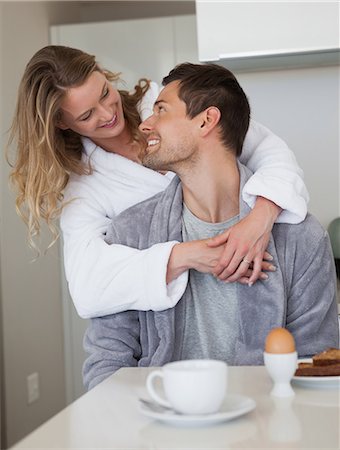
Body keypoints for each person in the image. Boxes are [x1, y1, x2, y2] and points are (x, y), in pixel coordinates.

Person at [82, 63, 339, 390]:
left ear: (206, 120)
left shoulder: (301, 238)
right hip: (159, 432)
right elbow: (107, 363)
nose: (145, 124)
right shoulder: (130, 234)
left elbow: (318, 367)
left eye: (161, 110)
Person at [8, 45, 309, 319]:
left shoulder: (167, 101)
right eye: (87, 115)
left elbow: (270, 151)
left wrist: (260, 218)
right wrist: (186, 254)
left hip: (261, 271)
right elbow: (88, 288)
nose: (108, 113)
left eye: (104, 93)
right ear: (62, 123)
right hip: (187, 313)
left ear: (102, 72)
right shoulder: (86, 188)